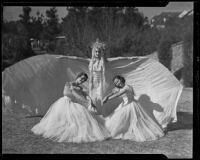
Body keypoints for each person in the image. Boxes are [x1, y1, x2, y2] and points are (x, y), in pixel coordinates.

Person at [31, 72, 110, 143]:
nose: (82, 81)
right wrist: (82, 96)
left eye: (84, 80)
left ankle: (77, 132)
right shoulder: (69, 84)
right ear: (77, 77)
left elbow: (85, 94)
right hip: (64, 103)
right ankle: (61, 131)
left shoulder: (80, 88)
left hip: (72, 103)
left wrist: (91, 101)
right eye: (81, 79)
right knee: (61, 120)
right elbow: (73, 93)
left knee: (80, 118)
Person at [103, 75, 165, 142]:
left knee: (135, 121)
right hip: (124, 106)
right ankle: (123, 131)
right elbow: (113, 92)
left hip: (131, 105)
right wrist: (106, 96)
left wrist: (107, 99)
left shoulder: (128, 87)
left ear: (121, 79)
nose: (117, 83)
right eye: (116, 83)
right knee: (120, 120)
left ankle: (134, 132)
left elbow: (118, 94)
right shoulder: (119, 88)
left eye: (118, 81)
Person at [88, 39, 107, 113]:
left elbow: (104, 73)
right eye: (96, 51)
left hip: (101, 81)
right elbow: (90, 74)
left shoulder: (102, 61)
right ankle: (92, 111)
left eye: (99, 51)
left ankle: (99, 112)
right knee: (92, 96)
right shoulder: (92, 62)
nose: (97, 53)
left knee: (100, 96)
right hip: (93, 81)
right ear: (93, 52)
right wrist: (91, 83)